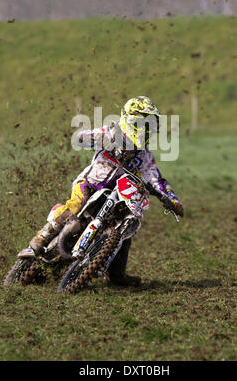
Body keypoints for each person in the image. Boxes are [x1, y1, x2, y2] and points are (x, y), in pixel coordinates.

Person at [29, 96, 184, 286]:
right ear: (129, 120)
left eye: (150, 125)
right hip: (90, 184)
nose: (145, 129)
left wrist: (172, 200)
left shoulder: (144, 156)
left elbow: (157, 180)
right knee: (76, 204)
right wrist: (102, 140)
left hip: (120, 194)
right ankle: (43, 236)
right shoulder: (111, 134)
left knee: (127, 224)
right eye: (142, 123)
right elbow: (80, 138)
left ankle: (115, 275)